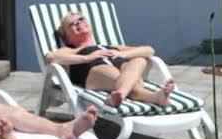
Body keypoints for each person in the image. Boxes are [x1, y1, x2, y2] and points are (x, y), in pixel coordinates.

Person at [44, 11, 176, 109]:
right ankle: (151, 96)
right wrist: (87, 57)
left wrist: (122, 54)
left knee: (140, 60)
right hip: (95, 72)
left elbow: (149, 50)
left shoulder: (111, 47)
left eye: (81, 19)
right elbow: (50, 57)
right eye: (72, 24)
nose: (78, 22)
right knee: (116, 74)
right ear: (67, 39)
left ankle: (123, 94)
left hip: (122, 72)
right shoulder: (72, 50)